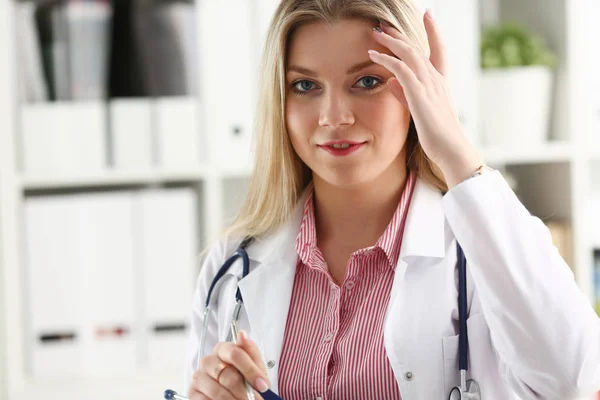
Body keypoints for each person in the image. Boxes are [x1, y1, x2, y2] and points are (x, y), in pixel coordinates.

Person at [184, 0, 600, 399]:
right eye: (305, 85)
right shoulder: (231, 264)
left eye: (367, 81)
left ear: (420, 89)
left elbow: (570, 381)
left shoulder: (477, 249)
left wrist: (456, 152)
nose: (334, 116)